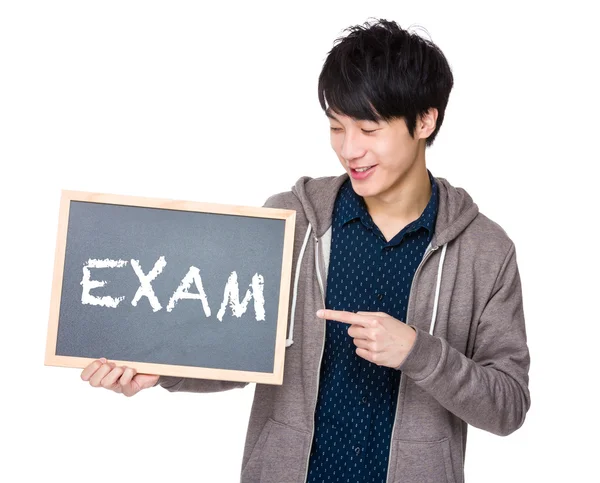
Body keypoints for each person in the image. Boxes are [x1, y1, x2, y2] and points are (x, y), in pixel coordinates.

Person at [81, 18, 530, 483]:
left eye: (368, 129)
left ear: (425, 120)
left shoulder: (485, 251)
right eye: (337, 127)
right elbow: (237, 354)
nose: (349, 149)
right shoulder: (290, 222)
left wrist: (419, 352)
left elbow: (509, 406)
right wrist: (163, 371)